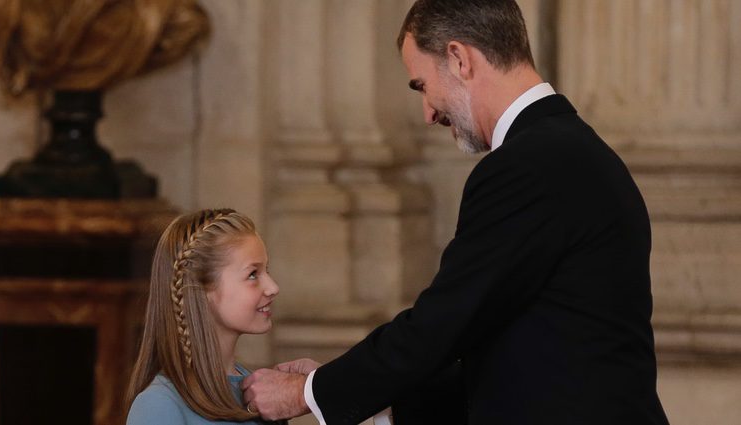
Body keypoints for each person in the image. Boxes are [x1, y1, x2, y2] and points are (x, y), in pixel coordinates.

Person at [242, 1, 671, 424]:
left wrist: (309, 393)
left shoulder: (527, 165)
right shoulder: (571, 149)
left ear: (459, 58)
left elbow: (442, 325)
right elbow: (510, 349)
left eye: (422, 85)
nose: (428, 113)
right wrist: (365, 394)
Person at [125, 209, 286, 425]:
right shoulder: (159, 405)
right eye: (252, 274)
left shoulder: (261, 392)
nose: (273, 287)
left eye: (267, 270)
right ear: (201, 289)